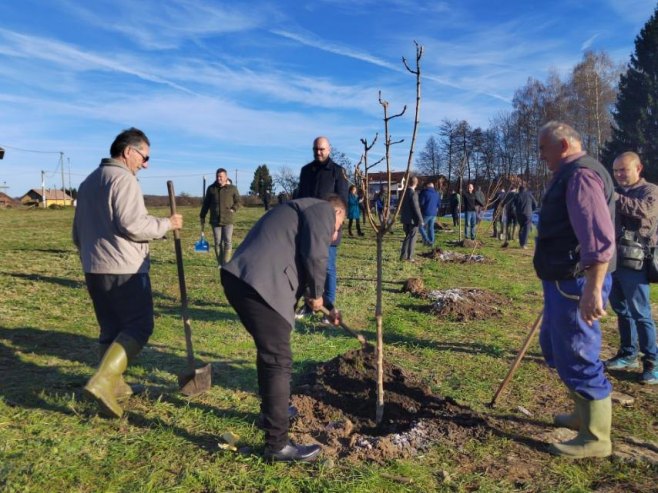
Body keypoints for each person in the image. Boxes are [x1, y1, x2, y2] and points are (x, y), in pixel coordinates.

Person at [221, 195, 345, 461]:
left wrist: (326, 304)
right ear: (337, 212)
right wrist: (316, 292)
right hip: (258, 282)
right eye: (339, 226)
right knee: (278, 359)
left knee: (270, 353)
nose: (335, 235)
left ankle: (272, 412)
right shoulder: (323, 210)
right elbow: (315, 255)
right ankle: (277, 444)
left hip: (240, 278)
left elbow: (299, 259)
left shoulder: (298, 211)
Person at [72, 127, 183, 419]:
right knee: (139, 325)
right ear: (128, 152)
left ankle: (116, 383)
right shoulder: (124, 179)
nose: (145, 164)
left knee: (111, 326)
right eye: (145, 157)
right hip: (124, 267)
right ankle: (103, 381)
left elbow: (77, 233)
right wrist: (166, 224)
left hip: (93, 268)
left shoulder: (88, 182)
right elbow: (133, 225)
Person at [533, 121, 615, 458]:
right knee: (558, 348)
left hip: (577, 282)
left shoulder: (580, 176)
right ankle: (582, 415)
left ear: (563, 145)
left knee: (578, 352)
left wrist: (593, 288)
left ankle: (597, 438)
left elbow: (597, 237)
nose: (541, 157)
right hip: (562, 281)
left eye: (543, 149)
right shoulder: (570, 174)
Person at [604, 152, 658, 384]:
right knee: (621, 310)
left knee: (641, 313)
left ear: (639, 168)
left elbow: (643, 210)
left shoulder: (650, 191)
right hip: (612, 259)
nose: (618, 174)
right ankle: (628, 354)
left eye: (623, 170)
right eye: (615, 171)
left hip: (635, 262)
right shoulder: (615, 193)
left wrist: (613, 197)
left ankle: (652, 362)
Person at [295, 136, 349, 317]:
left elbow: (342, 204)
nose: (319, 152)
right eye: (316, 149)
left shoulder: (338, 172)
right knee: (306, 266)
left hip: (329, 228)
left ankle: (329, 309)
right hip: (307, 227)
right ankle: (309, 305)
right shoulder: (306, 171)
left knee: (328, 268)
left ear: (329, 150)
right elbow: (300, 198)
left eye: (322, 149)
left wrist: (335, 228)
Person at [200, 168, 241, 266]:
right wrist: (202, 216)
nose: (219, 178)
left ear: (225, 177)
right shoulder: (211, 189)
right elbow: (206, 204)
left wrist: (233, 209)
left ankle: (226, 263)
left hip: (228, 219)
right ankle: (220, 263)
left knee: (228, 242)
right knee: (217, 242)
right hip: (215, 220)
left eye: (221, 177)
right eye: (217, 176)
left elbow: (238, 201)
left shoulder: (232, 188)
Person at [399, 176, 424, 262]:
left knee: (407, 237)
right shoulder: (413, 194)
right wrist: (421, 220)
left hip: (405, 219)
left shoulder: (403, 193)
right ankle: (410, 257)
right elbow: (416, 208)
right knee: (412, 238)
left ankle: (403, 256)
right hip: (413, 220)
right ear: (416, 183)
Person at [419, 181, 440, 247]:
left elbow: (421, 203)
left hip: (426, 212)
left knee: (420, 227)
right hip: (434, 213)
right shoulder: (437, 193)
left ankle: (427, 240)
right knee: (431, 228)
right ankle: (431, 241)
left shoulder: (425, 193)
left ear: (427, 186)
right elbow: (439, 204)